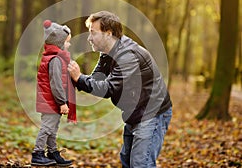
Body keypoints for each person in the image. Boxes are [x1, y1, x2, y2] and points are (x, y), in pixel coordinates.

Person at [67, 11, 172, 168]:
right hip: (135, 113)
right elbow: (96, 80)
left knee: (140, 163)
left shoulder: (127, 56)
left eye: (93, 33)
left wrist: (79, 78)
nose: (89, 38)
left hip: (152, 113)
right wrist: (75, 79)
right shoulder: (108, 52)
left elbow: (108, 88)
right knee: (127, 160)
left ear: (108, 34)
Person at [31, 20, 76, 167]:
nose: (68, 45)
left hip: (51, 102)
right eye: (67, 42)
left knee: (52, 129)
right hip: (52, 101)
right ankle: (37, 153)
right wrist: (62, 102)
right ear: (59, 43)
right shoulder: (56, 59)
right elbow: (56, 84)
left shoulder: (55, 58)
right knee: (47, 128)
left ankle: (52, 152)